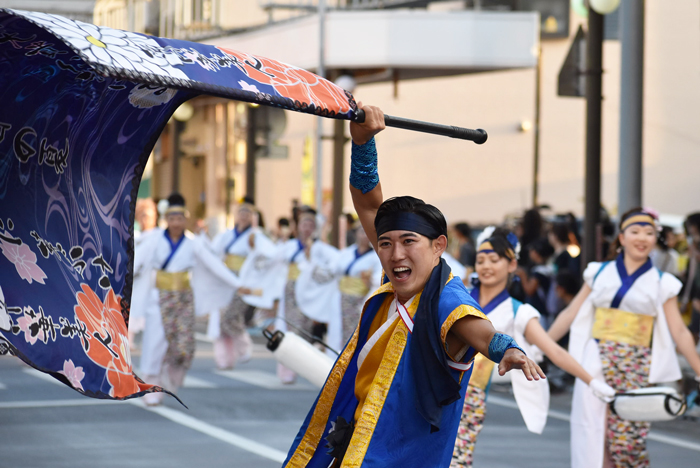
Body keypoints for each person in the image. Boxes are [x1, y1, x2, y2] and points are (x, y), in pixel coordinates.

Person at [282, 104, 545, 468]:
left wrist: (507, 350)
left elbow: (481, 332)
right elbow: (368, 203)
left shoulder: (445, 298)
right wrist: (363, 143)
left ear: (439, 245)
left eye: (409, 242)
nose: (394, 253)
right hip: (357, 439)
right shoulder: (395, 278)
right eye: (385, 243)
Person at [547, 208, 700, 468]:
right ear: (621, 237)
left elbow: (680, 331)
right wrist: (538, 346)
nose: (642, 238)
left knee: (628, 442)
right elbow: (570, 313)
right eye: (635, 231)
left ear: (655, 239)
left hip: (636, 364)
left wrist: (698, 369)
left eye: (649, 233)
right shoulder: (598, 272)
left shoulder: (662, 282)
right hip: (594, 361)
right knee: (594, 434)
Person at [451, 228, 615, 468]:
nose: (486, 265)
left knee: (456, 461)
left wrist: (592, 381)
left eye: (494, 260)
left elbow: (554, 351)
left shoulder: (519, 312)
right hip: (436, 384)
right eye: (480, 260)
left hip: (470, 395)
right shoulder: (459, 297)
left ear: (511, 265)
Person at [132, 193, 248, 405]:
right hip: (159, 298)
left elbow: (213, 265)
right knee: (154, 344)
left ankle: (169, 380)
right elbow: (136, 260)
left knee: (184, 347)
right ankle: (151, 387)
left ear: (185, 219)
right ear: (166, 219)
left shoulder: (193, 243)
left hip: (184, 299)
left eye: (180, 219)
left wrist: (237, 284)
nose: (176, 223)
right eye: (172, 218)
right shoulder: (154, 239)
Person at [206, 200, 258, 370]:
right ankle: (224, 359)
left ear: (252, 217)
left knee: (232, 316)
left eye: (247, 213)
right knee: (220, 319)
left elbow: (264, 256)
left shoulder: (255, 236)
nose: (243, 216)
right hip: (226, 278)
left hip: (244, 280)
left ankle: (243, 348)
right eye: (241, 212)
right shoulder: (226, 235)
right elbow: (213, 253)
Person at [334, 223, 382, 344]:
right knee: (338, 328)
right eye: (361, 232)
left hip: (360, 299)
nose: (364, 236)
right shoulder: (346, 252)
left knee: (355, 331)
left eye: (367, 233)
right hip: (341, 297)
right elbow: (335, 270)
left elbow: (378, 280)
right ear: (356, 234)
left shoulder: (376, 256)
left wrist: (369, 280)